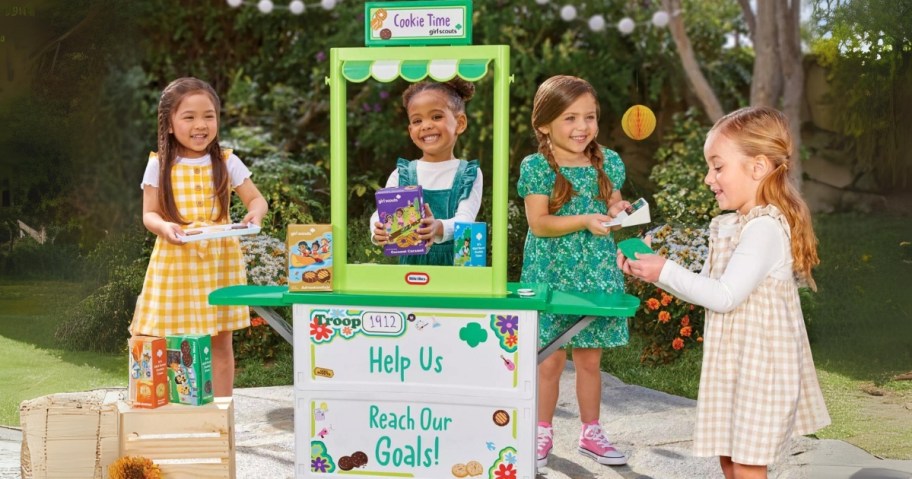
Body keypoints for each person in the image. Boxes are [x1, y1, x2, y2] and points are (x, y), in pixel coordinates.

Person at [618, 106, 830, 479]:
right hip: (738, 366)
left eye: (718, 166)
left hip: (760, 371)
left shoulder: (764, 228)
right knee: (731, 460)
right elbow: (707, 288)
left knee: (747, 465)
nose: (708, 178)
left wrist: (663, 268)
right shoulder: (737, 224)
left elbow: (724, 296)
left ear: (758, 167)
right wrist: (654, 271)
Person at [518, 75, 632, 468]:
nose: (582, 127)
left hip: (595, 272)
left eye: (590, 117)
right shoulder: (536, 167)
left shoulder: (608, 161)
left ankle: (591, 432)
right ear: (544, 124)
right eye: (569, 118)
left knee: (589, 358)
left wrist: (619, 210)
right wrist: (584, 219)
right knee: (548, 358)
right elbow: (539, 224)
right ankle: (540, 432)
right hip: (549, 273)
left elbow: (612, 203)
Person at [130, 77, 268, 397]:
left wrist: (255, 214)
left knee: (220, 340)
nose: (201, 124)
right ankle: (163, 409)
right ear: (169, 124)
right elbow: (149, 214)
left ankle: (221, 412)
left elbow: (256, 200)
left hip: (219, 260)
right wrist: (164, 227)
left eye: (209, 116)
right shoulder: (159, 164)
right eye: (189, 117)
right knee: (160, 337)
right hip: (174, 258)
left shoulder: (226, 161)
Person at [370, 78, 482, 265]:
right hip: (411, 269)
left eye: (436, 117)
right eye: (417, 120)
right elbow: (381, 213)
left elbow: (466, 220)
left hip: (456, 265)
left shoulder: (468, 174)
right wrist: (377, 229)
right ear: (410, 129)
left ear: (460, 123)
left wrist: (438, 227)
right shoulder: (402, 173)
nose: (426, 125)